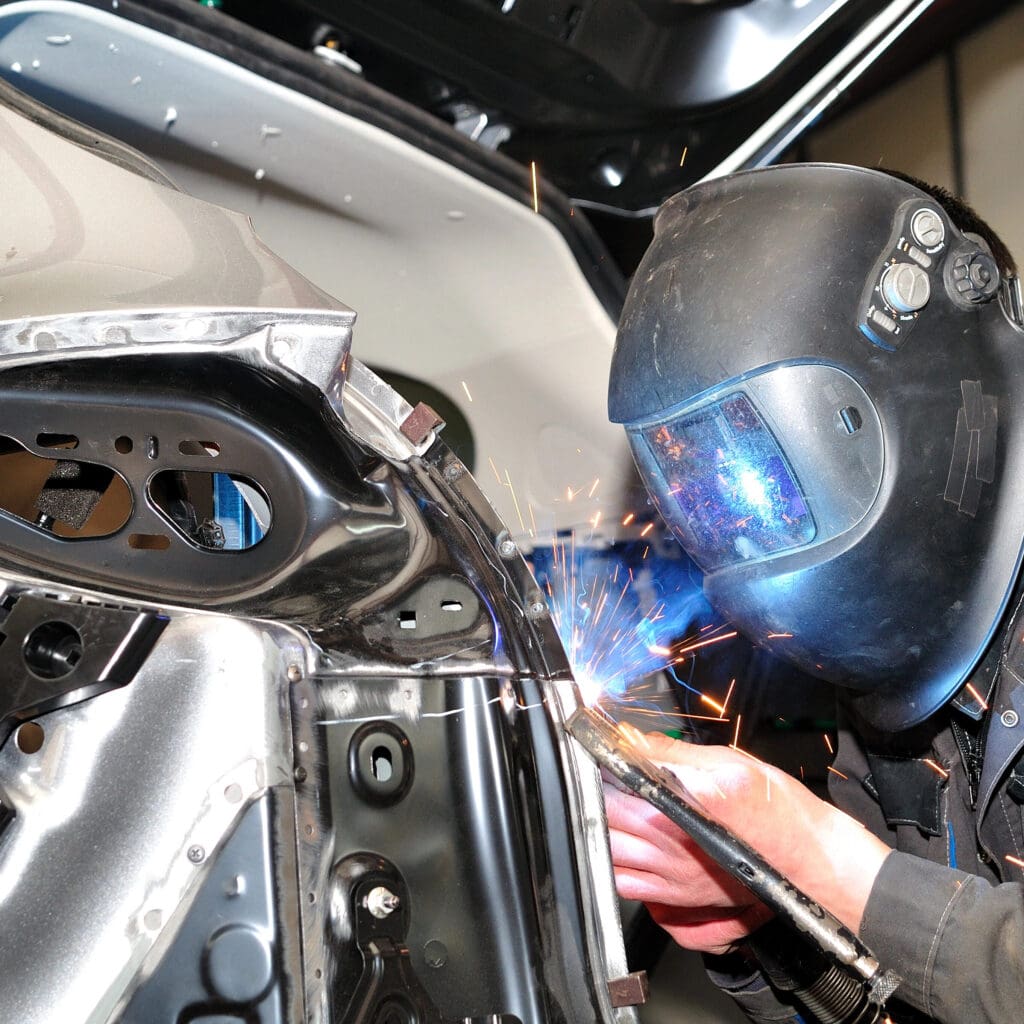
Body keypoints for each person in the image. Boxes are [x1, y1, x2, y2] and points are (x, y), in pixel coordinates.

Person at [603, 163, 1024, 1024]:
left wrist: (830, 863)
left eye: (770, 471)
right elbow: (898, 1003)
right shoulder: (888, 699)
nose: (753, 525)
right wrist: (765, 917)